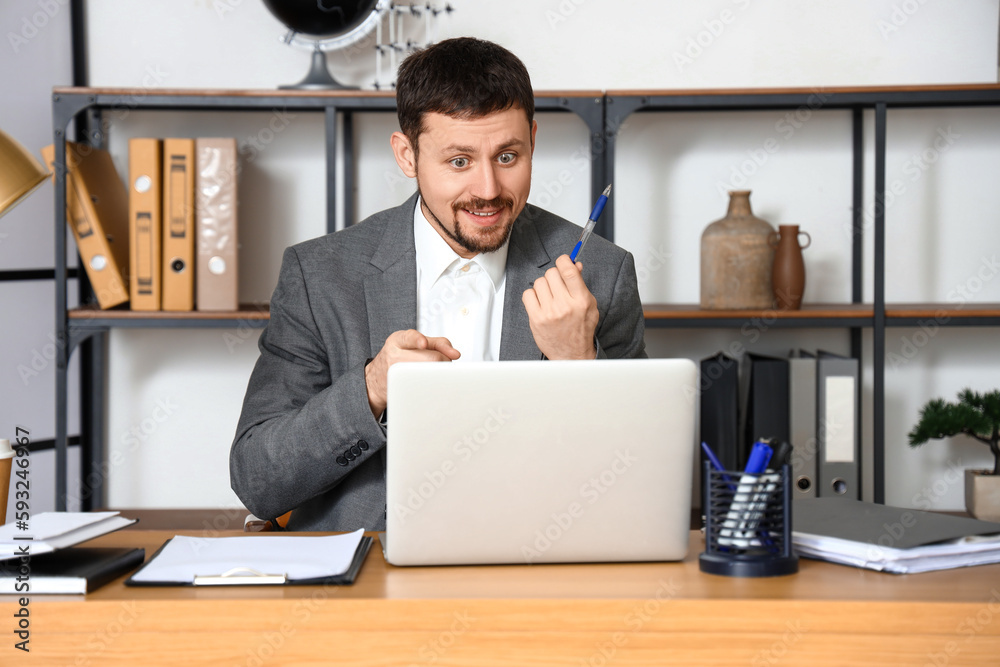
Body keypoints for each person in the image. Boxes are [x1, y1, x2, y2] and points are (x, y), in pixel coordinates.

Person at [230, 37, 646, 531]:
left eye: (508, 157)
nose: (488, 190)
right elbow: (259, 480)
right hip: (369, 577)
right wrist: (371, 388)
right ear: (407, 156)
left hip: (534, 570)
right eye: (459, 161)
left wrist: (580, 368)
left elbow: (641, 483)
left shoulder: (603, 272)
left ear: (532, 139)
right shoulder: (318, 274)